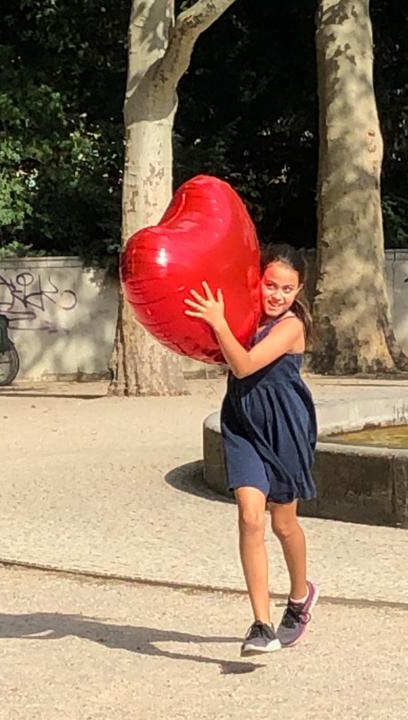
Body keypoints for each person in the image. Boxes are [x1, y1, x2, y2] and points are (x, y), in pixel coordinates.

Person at [184, 243, 318, 657]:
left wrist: (219, 323)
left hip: (284, 427)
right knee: (248, 518)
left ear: (298, 291)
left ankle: (300, 598)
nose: (276, 295)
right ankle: (261, 624)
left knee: (283, 524)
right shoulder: (246, 313)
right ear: (257, 281)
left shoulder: (291, 326)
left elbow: (243, 365)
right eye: (270, 285)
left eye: (287, 288)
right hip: (241, 424)